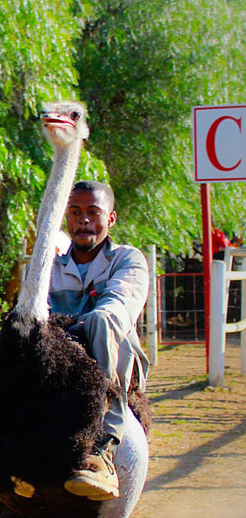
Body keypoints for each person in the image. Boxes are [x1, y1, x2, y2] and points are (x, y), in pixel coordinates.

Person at [53, 179, 149, 500]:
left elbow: (118, 308)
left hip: (110, 356)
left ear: (110, 218)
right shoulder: (51, 267)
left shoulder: (127, 260)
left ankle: (103, 445)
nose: (84, 220)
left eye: (93, 212)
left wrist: (70, 331)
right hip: (61, 355)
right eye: (76, 212)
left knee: (102, 319)